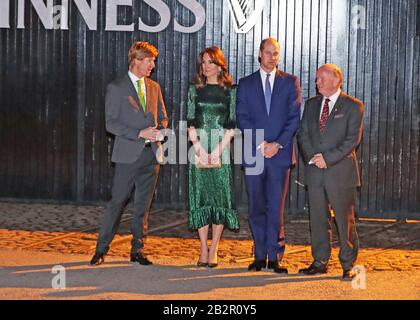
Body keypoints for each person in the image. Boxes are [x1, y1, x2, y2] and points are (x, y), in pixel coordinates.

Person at [90, 41, 168, 266]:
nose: (153, 65)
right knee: (117, 202)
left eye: (153, 61)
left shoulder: (154, 87)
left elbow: (163, 116)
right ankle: (101, 249)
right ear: (137, 61)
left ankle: (138, 250)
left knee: (144, 205)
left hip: (151, 155)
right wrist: (140, 132)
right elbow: (110, 124)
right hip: (127, 155)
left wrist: (159, 130)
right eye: (150, 61)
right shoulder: (116, 87)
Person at [236, 37, 301, 274]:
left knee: (276, 206)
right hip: (254, 153)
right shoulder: (245, 83)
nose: (272, 57)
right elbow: (242, 117)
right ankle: (259, 255)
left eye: (276, 53)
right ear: (259, 54)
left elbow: (294, 118)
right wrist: (261, 143)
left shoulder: (290, 82)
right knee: (255, 207)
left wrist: (277, 144)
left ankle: (274, 257)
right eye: (268, 52)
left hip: (280, 154)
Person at [297, 64, 364, 281]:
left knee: (345, 221)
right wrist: (314, 157)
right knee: (317, 218)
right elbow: (303, 134)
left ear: (337, 80)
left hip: (341, 172)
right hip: (315, 171)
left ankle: (348, 264)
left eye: (322, 78)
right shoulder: (311, 104)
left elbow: (352, 140)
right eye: (317, 79)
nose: (317, 82)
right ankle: (319, 261)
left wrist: (328, 158)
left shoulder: (354, 106)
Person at [187, 46, 239, 268]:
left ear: (220, 65)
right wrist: (197, 146)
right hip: (198, 147)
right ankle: (202, 248)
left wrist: (218, 149)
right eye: (203, 62)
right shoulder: (194, 89)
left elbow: (232, 123)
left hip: (221, 149)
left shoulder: (230, 90)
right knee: (200, 197)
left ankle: (215, 247)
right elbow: (190, 120)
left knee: (219, 198)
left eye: (210, 62)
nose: (205, 66)